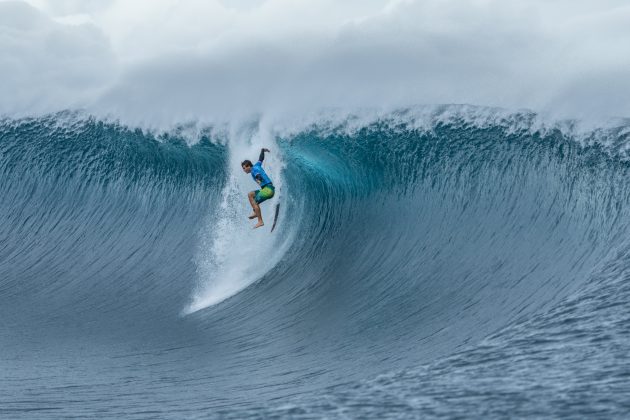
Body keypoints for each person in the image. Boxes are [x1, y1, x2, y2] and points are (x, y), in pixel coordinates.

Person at [241, 148, 274, 229]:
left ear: (249, 166)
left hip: (268, 190)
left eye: (244, 168)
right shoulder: (257, 165)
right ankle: (256, 212)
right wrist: (263, 150)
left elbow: (258, 175)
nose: (244, 170)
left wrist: (259, 179)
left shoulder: (253, 170)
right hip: (267, 189)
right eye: (243, 168)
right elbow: (261, 158)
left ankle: (260, 221)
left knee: (254, 200)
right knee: (251, 195)